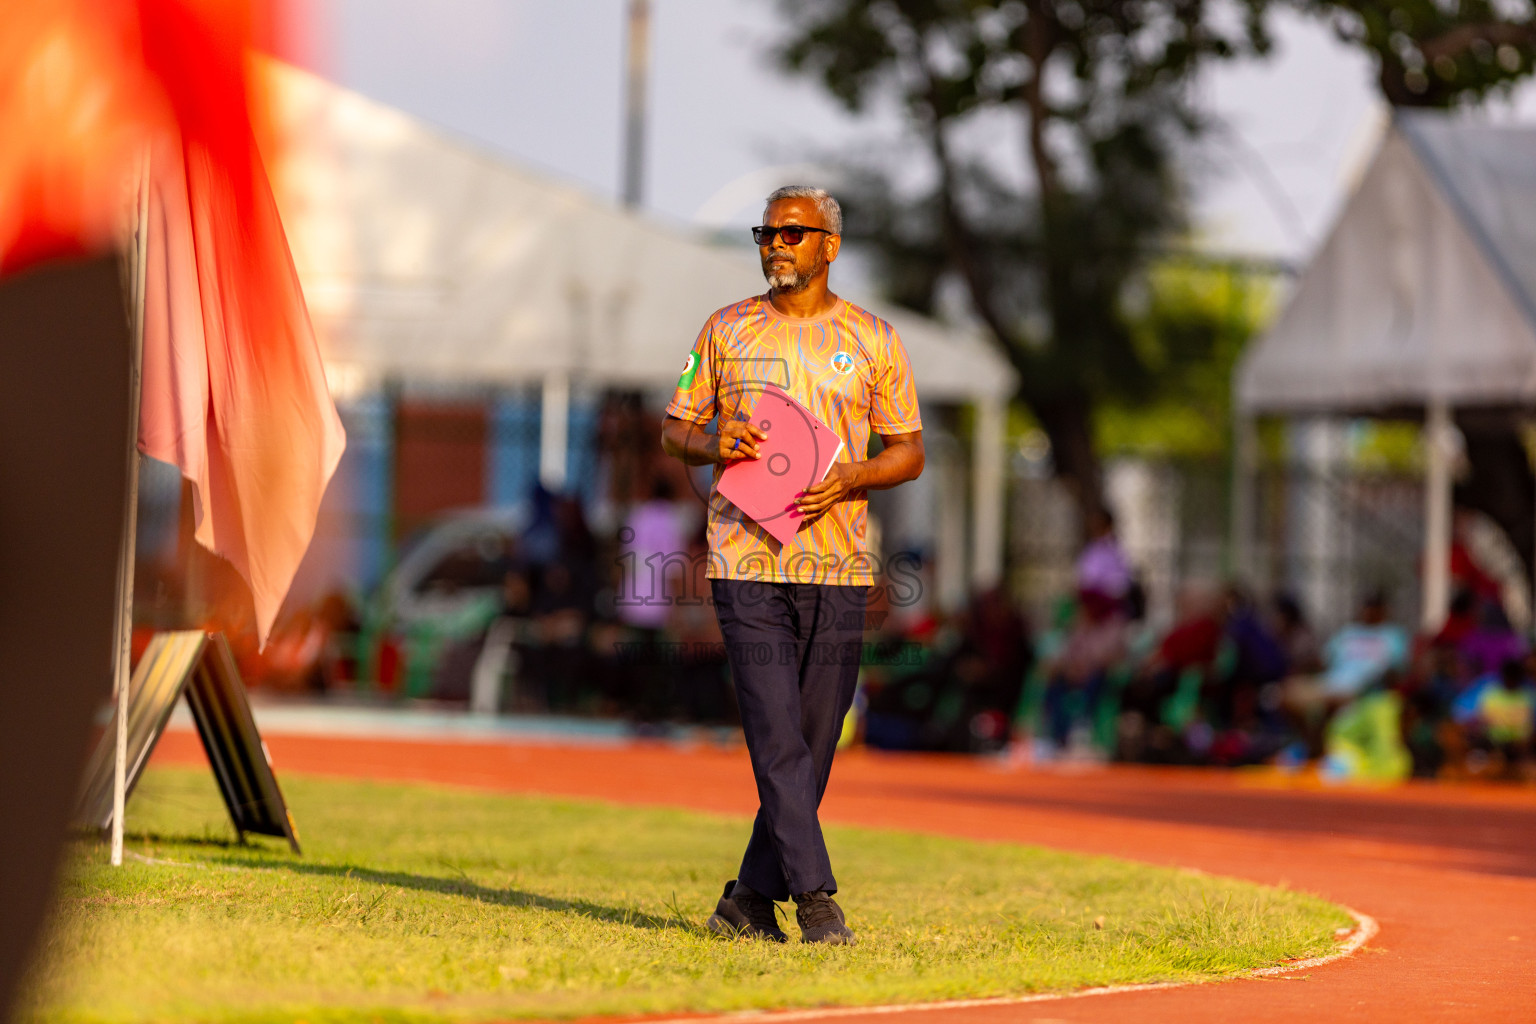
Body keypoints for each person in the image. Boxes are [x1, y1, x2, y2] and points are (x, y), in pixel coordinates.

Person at [660, 186, 924, 944]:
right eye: (766, 232)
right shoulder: (725, 329)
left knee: (813, 735)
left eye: (792, 232)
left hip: (838, 567)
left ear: (829, 246)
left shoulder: (874, 340)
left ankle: (746, 901)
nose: (776, 244)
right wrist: (717, 443)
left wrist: (854, 477)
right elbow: (676, 430)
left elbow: (909, 452)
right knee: (775, 729)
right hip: (743, 559)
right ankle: (815, 898)